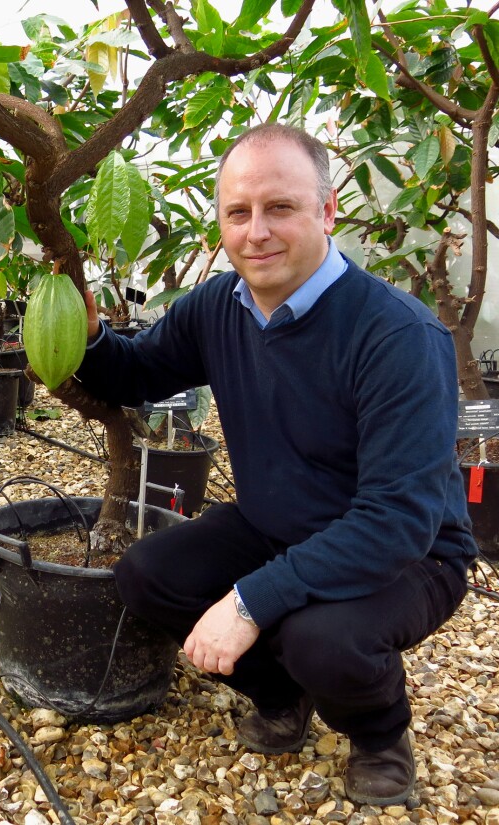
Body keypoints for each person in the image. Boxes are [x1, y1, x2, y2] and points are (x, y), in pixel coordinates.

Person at [75, 123, 477, 807]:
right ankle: (281, 692)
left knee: (320, 636)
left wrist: (249, 600)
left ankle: (379, 733)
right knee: (146, 574)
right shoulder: (218, 307)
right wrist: (81, 336)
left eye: (280, 208)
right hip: (276, 523)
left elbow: (395, 521)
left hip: (409, 555)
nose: (255, 231)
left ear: (326, 212)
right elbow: (137, 371)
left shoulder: (399, 336)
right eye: (238, 212)